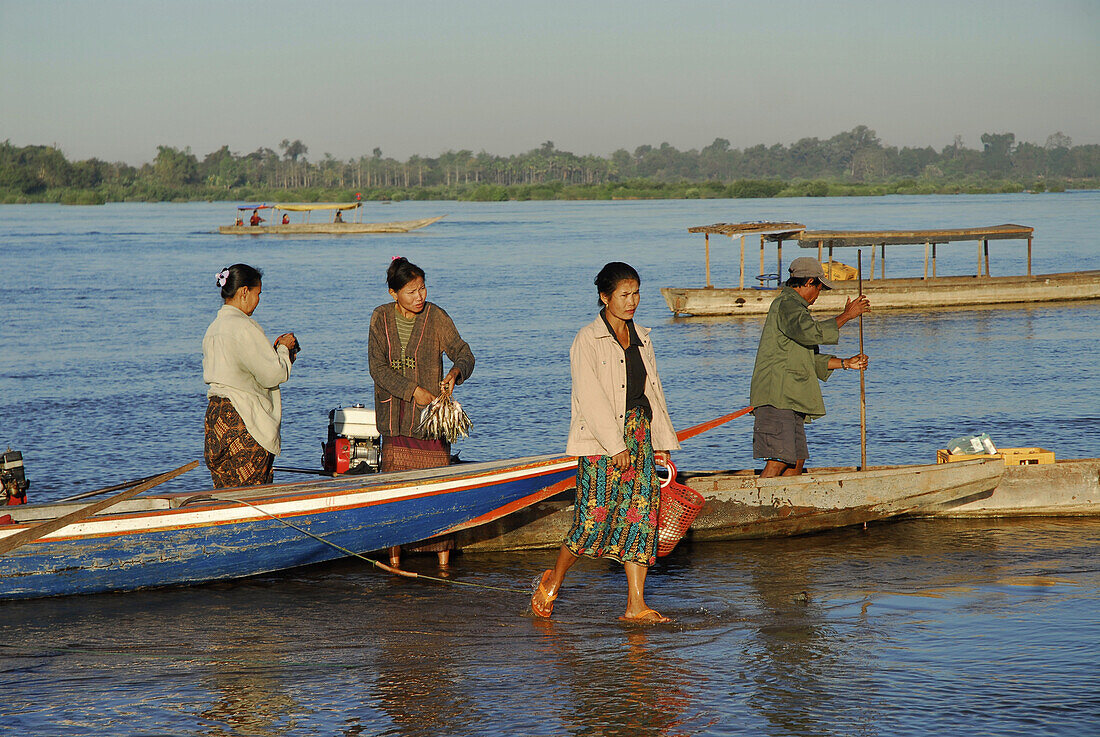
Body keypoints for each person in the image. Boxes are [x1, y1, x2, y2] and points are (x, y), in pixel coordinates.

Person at [530, 262, 680, 624]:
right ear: (605, 296)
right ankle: (554, 579)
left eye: (636, 294)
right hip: (602, 443)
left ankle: (635, 605)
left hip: (640, 434)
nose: (632, 302)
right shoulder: (587, 339)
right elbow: (590, 398)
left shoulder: (643, 336)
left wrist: (658, 440)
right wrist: (617, 447)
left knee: (642, 518)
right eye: (624, 295)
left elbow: (652, 392)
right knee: (593, 520)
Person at [368, 257, 475, 568]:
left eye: (423, 289)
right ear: (393, 293)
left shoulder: (436, 316)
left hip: (430, 426)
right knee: (395, 496)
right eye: (411, 291)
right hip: (395, 423)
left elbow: (464, 352)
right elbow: (378, 369)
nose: (420, 297)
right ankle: (395, 560)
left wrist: (455, 373)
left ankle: (443, 561)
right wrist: (413, 391)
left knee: (436, 495)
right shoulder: (380, 318)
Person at [749, 256, 869, 479]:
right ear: (808, 282)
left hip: (791, 397)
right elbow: (809, 333)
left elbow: (808, 359)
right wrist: (847, 316)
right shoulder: (786, 306)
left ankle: (784, 508)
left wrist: (846, 363)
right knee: (779, 459)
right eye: (819, 288)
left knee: (795, 461)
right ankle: (759, 506)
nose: (818, 295)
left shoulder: (797, 310)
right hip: (776, 396)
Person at [202, 264, 299, 488]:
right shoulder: (244, 327)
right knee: (252, 497)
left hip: (216, 420)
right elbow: (272, 375)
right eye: (258, 294)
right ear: (244, 291)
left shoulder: (213, 328)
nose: (258, 300)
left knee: (226, 496)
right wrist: (283, 350)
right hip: (243, 421)